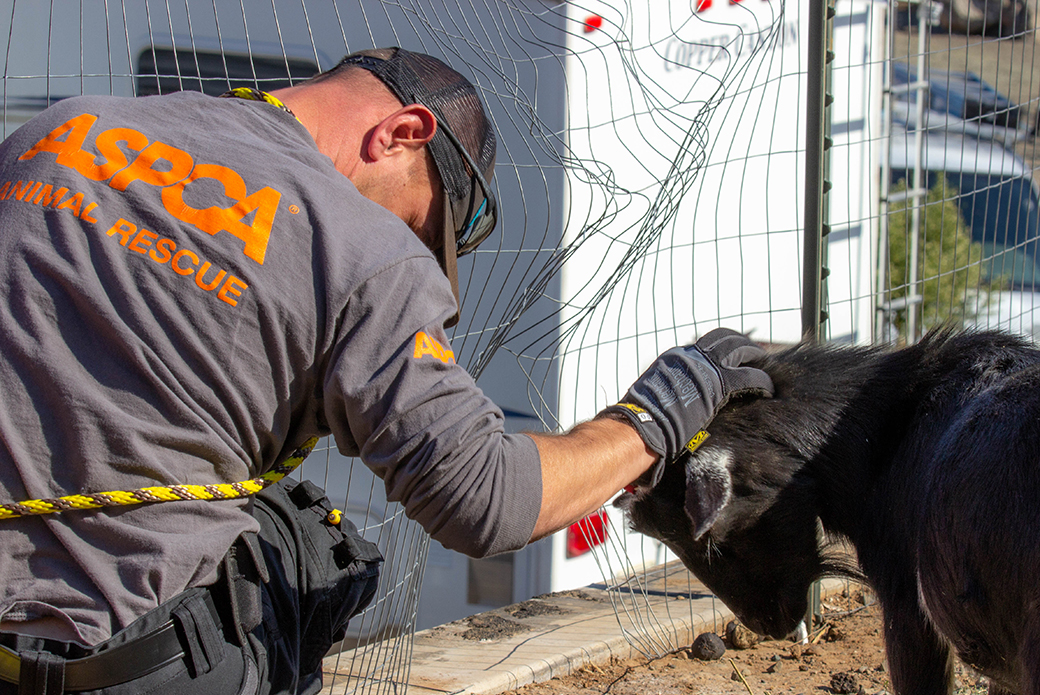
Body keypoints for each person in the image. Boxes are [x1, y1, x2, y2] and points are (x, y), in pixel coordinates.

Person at [0, 47, 773, 694]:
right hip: (117, 658)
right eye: (422, 222)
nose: (411, 247)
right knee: (302, 544)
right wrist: (657, 414)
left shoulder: (62, 129)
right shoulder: (359, 249)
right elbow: (486, 501)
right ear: (401, 132)